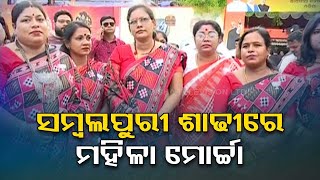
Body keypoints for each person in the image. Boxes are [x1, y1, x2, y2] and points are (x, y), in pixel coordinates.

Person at [0, 0, 89, 169]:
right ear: (14, 25)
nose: (35, 24)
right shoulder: (3, 57)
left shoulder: (62, 57)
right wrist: (27, 131)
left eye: (40, 19)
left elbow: (80, 95)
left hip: (65, 145)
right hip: (20, 149)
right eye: (26, 20)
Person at [213, 27, 307, 163]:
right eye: (245, 46)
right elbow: (218, 118)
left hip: (272, 155)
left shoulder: (282, 82)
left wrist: (268, 143)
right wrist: (248, 140)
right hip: (234, 152)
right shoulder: (228, 79)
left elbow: (289, 120)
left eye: (257, 45)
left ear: (268, 49)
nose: (251, 49)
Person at [109, 4, 185, 145]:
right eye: (133, 22)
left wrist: (157, 119)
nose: (139, 25)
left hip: (158, 127)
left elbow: (176, 91)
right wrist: (131, 118)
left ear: (154, 23)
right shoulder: (120, 52)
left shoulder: (171, 55)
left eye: (143, 19)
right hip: (125, 126)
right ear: (129, 27)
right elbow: (111, 88)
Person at [172, 20, 241, 145]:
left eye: (211, 35)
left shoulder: (230, 66)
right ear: (194, 39)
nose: (206, 39)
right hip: (183, 127)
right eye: (201, 35)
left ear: (220, 39)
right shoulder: (183, 63)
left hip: (216, 130)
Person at [60, 21, 136, 113]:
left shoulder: (102, 69)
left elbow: (113, 97)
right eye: (79, 38)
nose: (86, 42)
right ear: (68, 43)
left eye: (88, 38)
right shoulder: (60, 71)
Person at [283, 14, 320, 135]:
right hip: (298, 135)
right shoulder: (293, 68)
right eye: (317, 32)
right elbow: (284, 103)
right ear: (308, 36)